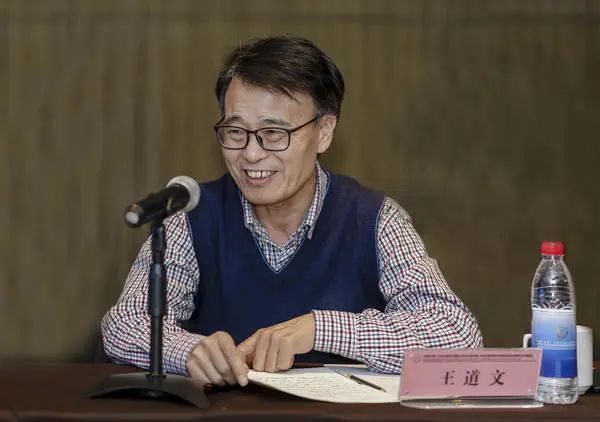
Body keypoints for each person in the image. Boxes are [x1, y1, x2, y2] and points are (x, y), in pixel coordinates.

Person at [102, 35, 483, 388]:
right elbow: (123, 325)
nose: (251, 154)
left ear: (324, 132)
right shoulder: (192, 216)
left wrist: (321, 329)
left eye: (274, 133)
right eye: (235, 132)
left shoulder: (374, 219)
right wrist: (187, 351)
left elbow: (458, 335)